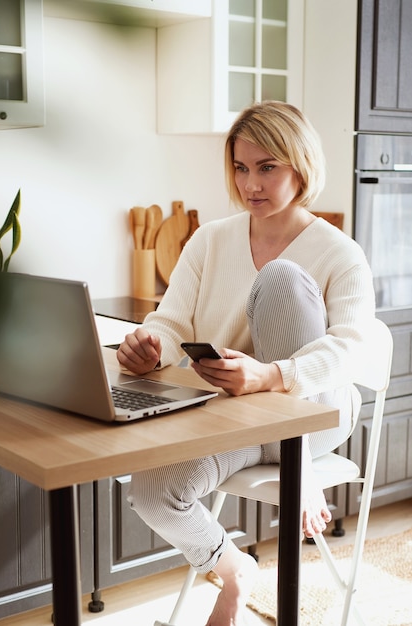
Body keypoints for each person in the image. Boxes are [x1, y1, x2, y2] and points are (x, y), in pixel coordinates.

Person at [117, 101, 375, 626]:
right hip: (236, 415)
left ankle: (296, 461)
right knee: (152, 490)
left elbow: (352, 348)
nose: (250, 183)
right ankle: (235, 571)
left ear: (300, 165)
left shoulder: (339, 252)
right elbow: (171, 323)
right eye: (240, 167)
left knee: (281, 278)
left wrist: (272, 376)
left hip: (315, 410)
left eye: (267, 167)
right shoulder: (211, 239)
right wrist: (148, 346)